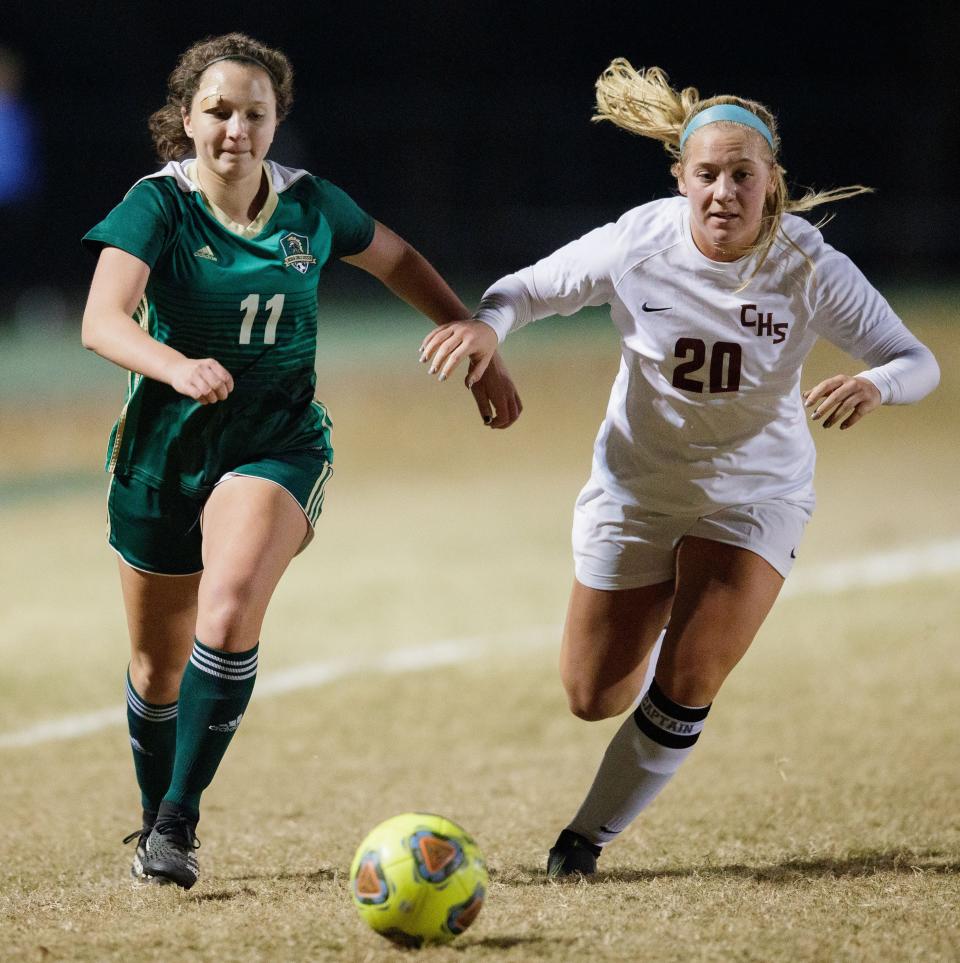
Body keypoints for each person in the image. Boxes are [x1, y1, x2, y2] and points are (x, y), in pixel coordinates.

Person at [419, 60, 939, 877]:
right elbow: (524, 291)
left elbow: (918, 359)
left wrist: (876, 382)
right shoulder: (640, 241)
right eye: (708, 175)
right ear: (680, 180)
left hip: (754, 494)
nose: (724, 191)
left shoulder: (808, 266)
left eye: (743, 174)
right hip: (637, 491)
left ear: (773, 183)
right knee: (592, 695)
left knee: (690, 673)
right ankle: (670, 593)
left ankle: (581, 843)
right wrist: (488, 329)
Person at [81, 32, 521, 890]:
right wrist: (176, 366)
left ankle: (177, 824)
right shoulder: (157, 205)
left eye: (254, 112)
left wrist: (480, 347)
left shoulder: (311, 206)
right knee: (154, 666)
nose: (235, 129)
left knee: (233, 597)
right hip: (164, 453)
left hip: (276, 443)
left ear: (277, 122)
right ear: (186, 119)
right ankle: (153, 817)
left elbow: (399, 259)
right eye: (218, 111)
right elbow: (103, 318)